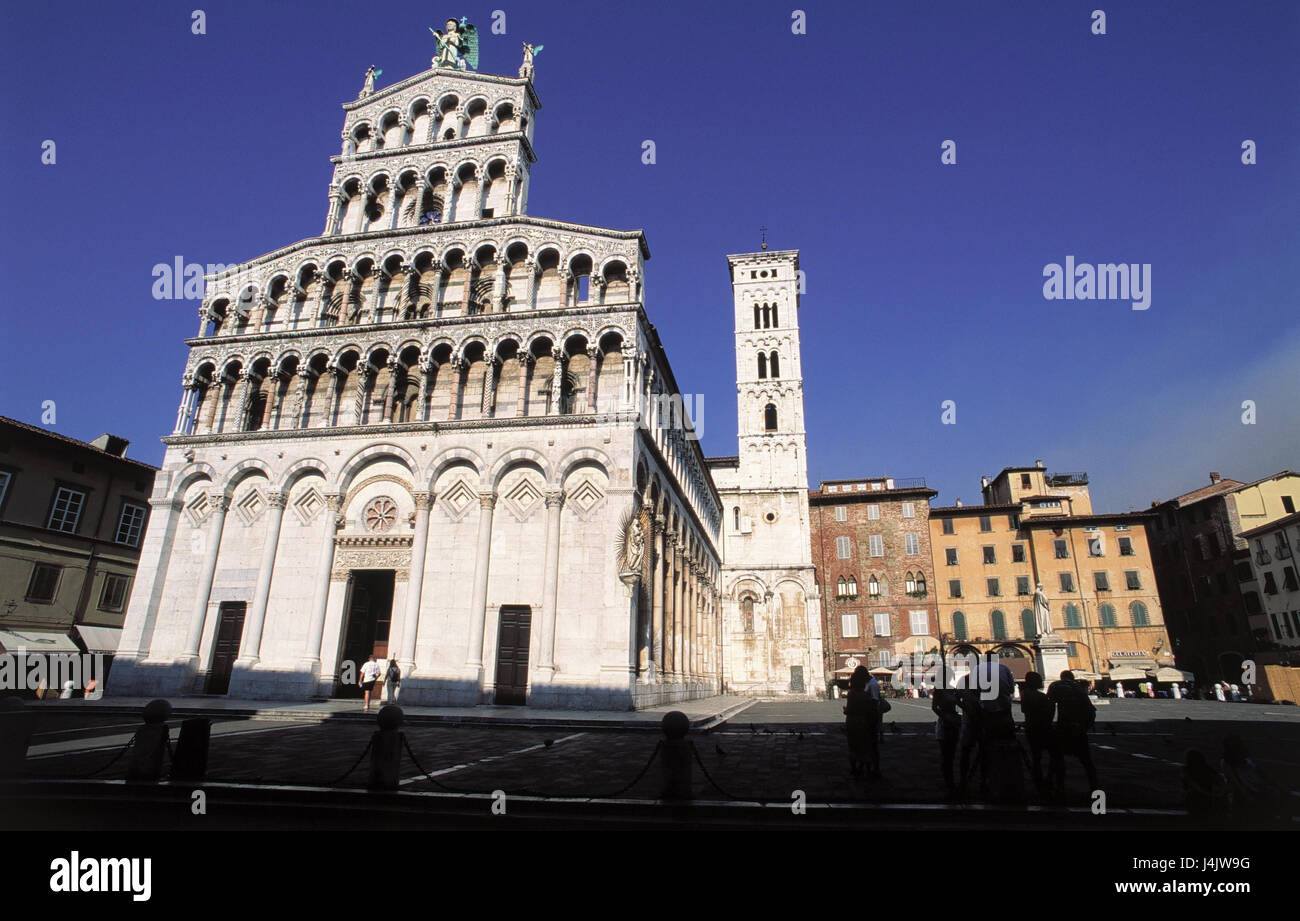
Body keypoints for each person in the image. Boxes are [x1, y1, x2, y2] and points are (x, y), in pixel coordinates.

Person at [1048, 670, 1099, 795]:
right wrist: (1086, 726)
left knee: (1057, 758)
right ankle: (1095, 787)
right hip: (1078, 728)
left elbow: (1049, 705)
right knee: (1086, 761)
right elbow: (1091, 709)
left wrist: (1048, 724)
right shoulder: (1079, 687)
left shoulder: (1056, 685)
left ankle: (1058, 786)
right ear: (1072, 677)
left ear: (1061, 677)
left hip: (1063, 726)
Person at [1220, 735, 1290, 819]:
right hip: (1249, 792)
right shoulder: (1227, 763)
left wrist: (1276, 784)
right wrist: (1248, 795)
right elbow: (1236, 783)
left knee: (1279, 795)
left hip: (1257, 788)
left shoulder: (1245, 760)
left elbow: (1261, 773)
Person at [1020, 671, 1057, 790]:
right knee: (1054, 755)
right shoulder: (1041, 696)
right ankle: (1049, 779)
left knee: (1036, 756)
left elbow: (1024, 710)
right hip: (1043, 728)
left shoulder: (1024, 694)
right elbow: (1049, 710)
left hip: (1031, 728)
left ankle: (1038, 779)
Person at [843, 666, 881, 779]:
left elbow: (851, 709)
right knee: (865, 745)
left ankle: (857, 769)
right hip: (864, 721)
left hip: (854, 721)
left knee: (855, 746)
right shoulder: (865, 694)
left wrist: (846, 711)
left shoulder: (852, 694)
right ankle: (868, 768)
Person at [931, 681, 962, 794]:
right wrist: (945, 717)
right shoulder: (939, 690)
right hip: (945, 723)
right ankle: (948, 780)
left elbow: (959, 703)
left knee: (951, 753)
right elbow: (934, 707)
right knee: (946, 754)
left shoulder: (953, 690)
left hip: (953, 722)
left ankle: (950, 779)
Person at [1183, 750, 1227, 817]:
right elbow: (1220, 779)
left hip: (1194, 800)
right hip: (1207, 800)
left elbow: (1193, 785)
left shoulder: (1186, 770)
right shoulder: (1207, 768)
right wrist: (1219, 793)